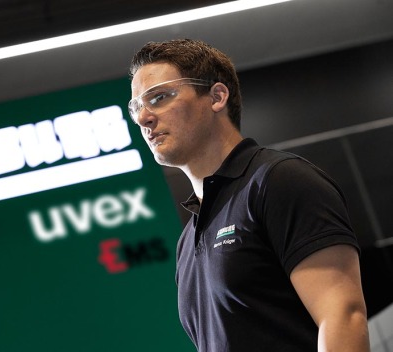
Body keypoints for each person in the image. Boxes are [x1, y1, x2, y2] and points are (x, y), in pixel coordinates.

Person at [127, 39, 370, 352]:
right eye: (136, 107)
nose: (144, 118)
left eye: (160, 97)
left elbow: (342, 316)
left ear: (217, 96)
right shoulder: (187, 240)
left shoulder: (280, 181)